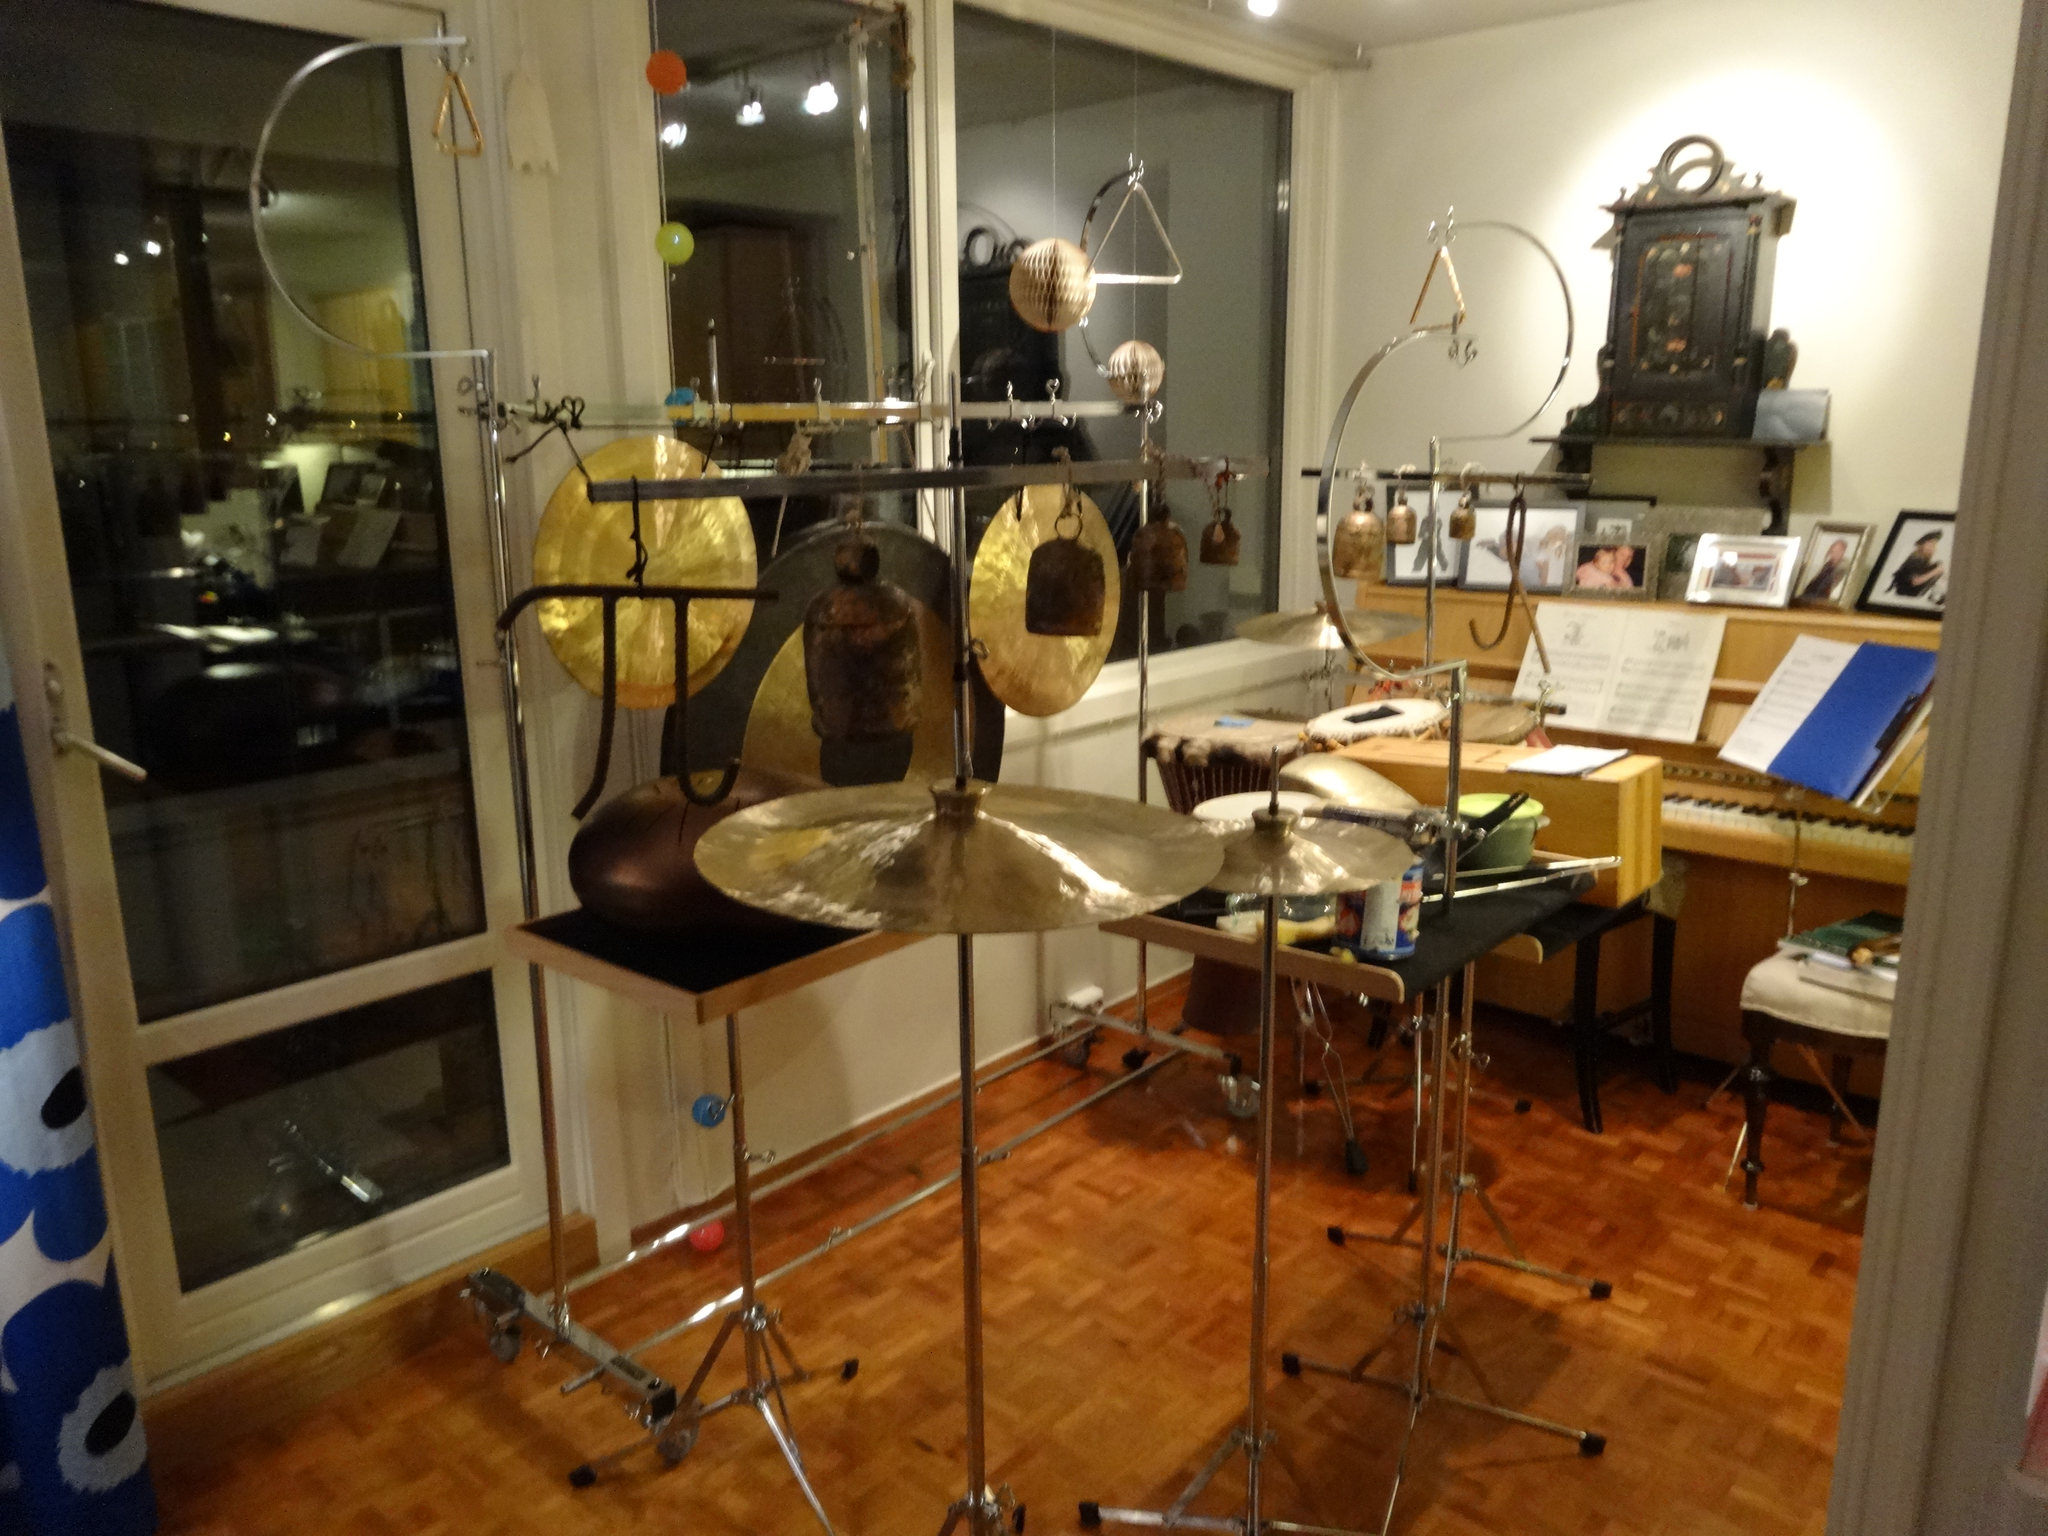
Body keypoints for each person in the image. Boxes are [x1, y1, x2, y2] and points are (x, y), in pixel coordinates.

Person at [1888, 530, 1946, 599]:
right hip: (1906, 594)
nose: (1932, 547)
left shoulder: (1924, 558)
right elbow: (1915, 581)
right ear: (1922, 544)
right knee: (1938, 567)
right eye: (1930, 543)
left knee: (1939, 565)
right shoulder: (1916, 558)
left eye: (1934, 544)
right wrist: (1936, 571)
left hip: (1913, 594)